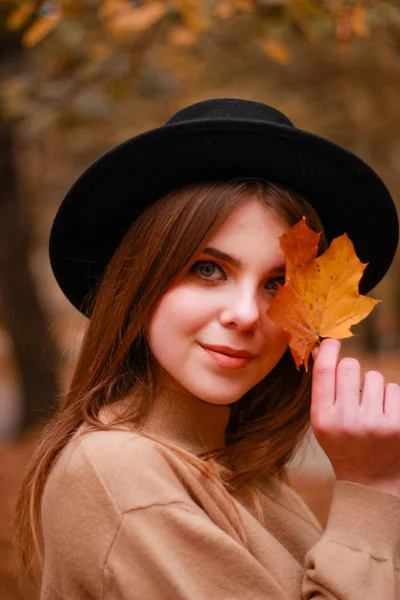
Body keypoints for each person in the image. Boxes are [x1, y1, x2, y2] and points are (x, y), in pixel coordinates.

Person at [15, 98, 400, 599]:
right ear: (140, 284)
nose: (244, 313)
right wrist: (371, 492)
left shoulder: (242, 470)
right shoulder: (119, 472)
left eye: (278, 283)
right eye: (208, 269)